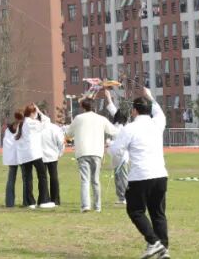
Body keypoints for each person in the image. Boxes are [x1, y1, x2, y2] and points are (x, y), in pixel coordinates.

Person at [109, 87, 169, 259]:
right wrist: (149, 95)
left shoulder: (130, 128)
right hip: (160, 174)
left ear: (134, 111)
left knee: (135, 211)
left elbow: (115, 151)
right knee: (158, 213)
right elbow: (159, 110)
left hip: (140, 176)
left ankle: (154, 242)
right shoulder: (158, 123)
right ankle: (163, 249)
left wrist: (110, 147)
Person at [68, 97, 118, 213]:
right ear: (94, 106)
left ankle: (86, 206)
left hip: (82, 152)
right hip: (97, 152)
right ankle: (97, 206)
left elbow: (69, 133)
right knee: (95, 180)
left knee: (85, 180)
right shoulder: (101, 119)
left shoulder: (78, 118)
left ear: (82, 107)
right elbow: (113, 131)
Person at [16, 104, 52, 209]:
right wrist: (40, 112)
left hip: (25, 155)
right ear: (33, 113)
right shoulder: (32, 123)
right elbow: (47, 121)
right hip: (34, 153)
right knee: (42, 176)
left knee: (28, 178)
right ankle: (43, 200)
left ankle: (30, 202)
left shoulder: (22, 123)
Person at [106, 91, 131, 205]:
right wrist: (109, 98)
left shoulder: (120, 128)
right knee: (118, 177)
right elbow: (114, 111)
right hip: (117, 156)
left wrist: (109, 143)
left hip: (121, 156)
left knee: (123, 177)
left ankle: (125, 197)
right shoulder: (120, 126)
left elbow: (118, 143)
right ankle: (121, 197)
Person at [41, 115, 66, 206]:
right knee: (54, 177)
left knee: (42, 179)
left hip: (41, 156)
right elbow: (61, 142)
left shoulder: (37, 128)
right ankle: (55, 200)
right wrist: (60, 153)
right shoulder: (55, 128)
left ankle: (44, 199)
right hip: (53, 156)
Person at [2, 115, 20, 208]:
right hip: (18, 157)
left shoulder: (7, 131)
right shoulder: (19, 129)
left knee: (12, 179)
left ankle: (9, 202)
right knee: (12, 179)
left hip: (13, 157)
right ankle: (10, 202)